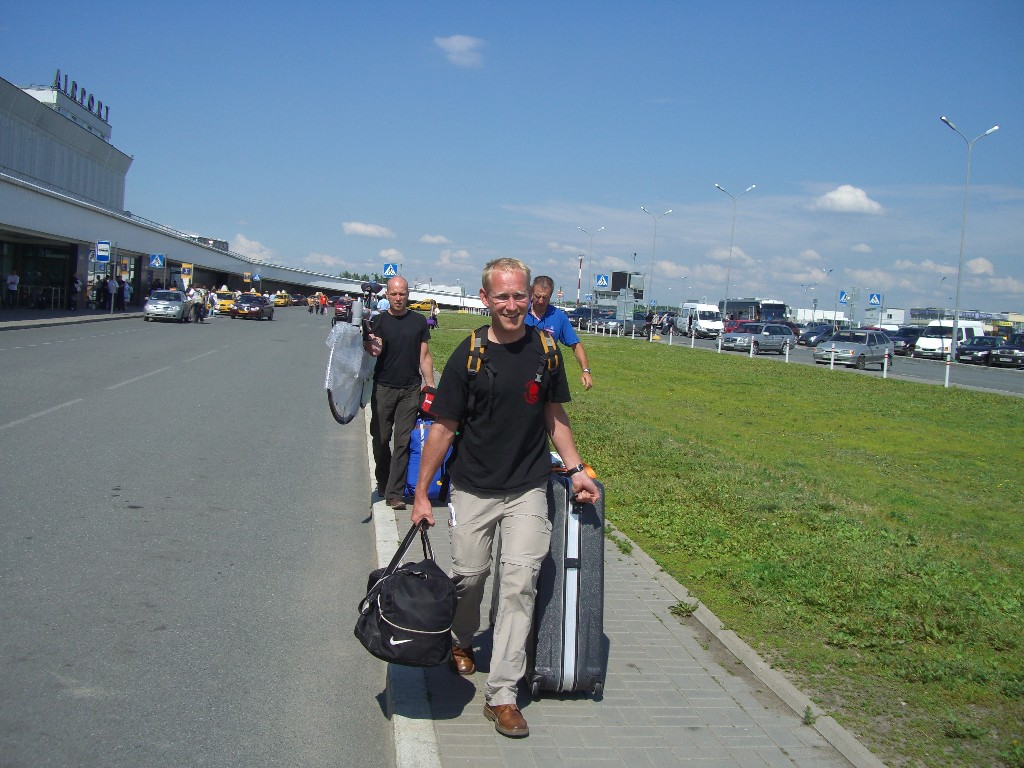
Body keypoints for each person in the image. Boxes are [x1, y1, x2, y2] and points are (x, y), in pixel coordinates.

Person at [410, 258, 599, 739]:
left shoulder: (546, 351)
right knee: (469, 577)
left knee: (519, 584)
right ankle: (460, 638)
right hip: (473, 486)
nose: (513, 305)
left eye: (519, 296)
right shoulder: (469, 354)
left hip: (528, 486)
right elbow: (443, 428)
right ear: (485, 298)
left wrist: (576, 468)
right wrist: (421, 494)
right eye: (503, 297)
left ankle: (503, 695)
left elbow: (554, 415)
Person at [364, 276, 435, 511]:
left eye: (402, 294)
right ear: (387, 295)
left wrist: (431, 386)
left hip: (410, 389)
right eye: (393, 294)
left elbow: (424, 356)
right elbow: (376, 349)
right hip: (383, 387)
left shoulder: (418, 322)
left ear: (408, 294)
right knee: (381, 438)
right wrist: (368, 339)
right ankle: (383, 481)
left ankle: (395, 493)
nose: (397, 298)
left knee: (403, 441)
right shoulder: (380, 321)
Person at [524, 276, 592, 390]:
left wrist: (585, 370)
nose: (540, 301)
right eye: (537, 296)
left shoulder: (558, 317)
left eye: (545, 297)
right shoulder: (520, 311)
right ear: (531, 292)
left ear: (550, 296)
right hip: (521, 369)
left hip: (546, 374)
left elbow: (575, 344)